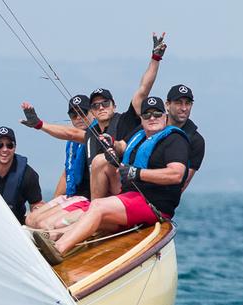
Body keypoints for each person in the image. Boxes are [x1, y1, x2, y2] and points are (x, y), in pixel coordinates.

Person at [21, 33, 167, 229]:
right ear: (92, 111)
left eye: (105, 103)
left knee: (47, 224)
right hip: (90, 201)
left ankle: (75, 235)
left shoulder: (126, 120)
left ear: (114, 105)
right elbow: (69, 134)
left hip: (118, 200)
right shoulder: (91, 132)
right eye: (96, 105)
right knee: (32, 219)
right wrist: (39, 124)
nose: (101, 107)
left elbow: (143, 88)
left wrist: (155, 58)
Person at [33, 97, 189, 265]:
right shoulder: (140, 137)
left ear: (165, 117)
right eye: (147, 115)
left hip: (153, 205)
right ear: (142, 119)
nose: (152, 118)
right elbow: (122, 146)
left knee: (98, 206)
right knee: (97, 216)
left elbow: (176, 175)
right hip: (132, 197)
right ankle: (53, 237)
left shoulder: (175, 140)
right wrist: (111, 144)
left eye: (157, 114)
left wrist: (137, 173)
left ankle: (58, 249)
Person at [25, 94, 95, 229]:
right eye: (74, 115)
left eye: (83, 113)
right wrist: (56, 201)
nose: (79, 118)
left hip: (88, 199)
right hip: (72, 196)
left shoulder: (96, 135)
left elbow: (70, 133)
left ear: (92, 113)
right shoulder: (72, 144)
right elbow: (67, 173)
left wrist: (39, 124)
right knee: (31, 219)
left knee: (45, 224)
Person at [0, 126, 44, 224]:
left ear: (15, 148)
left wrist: (38, 215)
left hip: (14, 226)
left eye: (9, 145)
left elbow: (36, 204)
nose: (5, 149)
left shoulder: (28, 175)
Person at [165, 84, 205, 191]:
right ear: (167, 105)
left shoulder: (196, 141)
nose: (184, 108)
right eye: (178, 103)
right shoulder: (152, 125)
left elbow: (183, 183)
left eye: (188, 103)